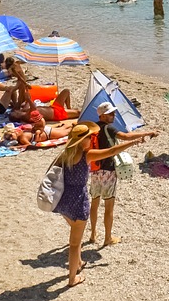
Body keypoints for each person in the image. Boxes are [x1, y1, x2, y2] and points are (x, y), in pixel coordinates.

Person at [52, 123, 141, 287]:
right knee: (74, 243)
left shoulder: (64, 155)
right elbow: (112, 151)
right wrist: (133, 142)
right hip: (78, 200)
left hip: (63, 200)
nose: (91, 140)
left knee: (74, 234)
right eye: (89, 137)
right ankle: (72, 278)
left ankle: (78, 263)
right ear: (82, 141)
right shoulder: (86, 155)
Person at [89, 101, 158, 247]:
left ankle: (93, 234)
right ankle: (107, 238)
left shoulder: (93, 128)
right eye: (111, 114)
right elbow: (126, 137)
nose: (114, 115)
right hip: (108, 170)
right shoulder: (109, 128)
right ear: (103, 116)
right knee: (109, 206)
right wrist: (147, 133)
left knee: (94, 203)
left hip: (95, 169)